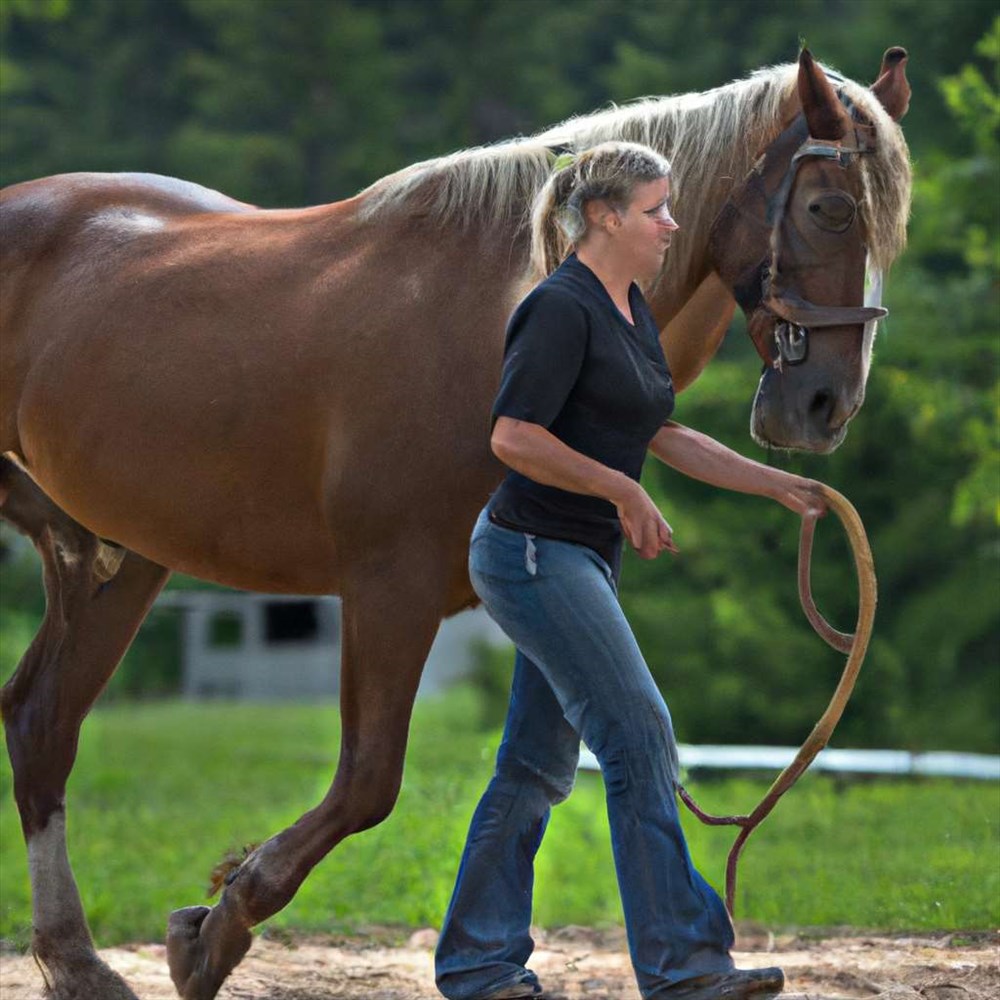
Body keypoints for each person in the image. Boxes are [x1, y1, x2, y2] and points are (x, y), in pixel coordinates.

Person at [435, 141, 825, 1000]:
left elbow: (661, 428)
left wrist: (776, 484)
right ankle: (684, 967)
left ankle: (475, 966)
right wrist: (620, 492)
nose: (670, 223)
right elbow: (513, 436)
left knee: (534, 767)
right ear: (607, 217)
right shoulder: (559, 309)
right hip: (531, 555)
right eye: (656, 209)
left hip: (574, 558)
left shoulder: (629, 307)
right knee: (638, 736)